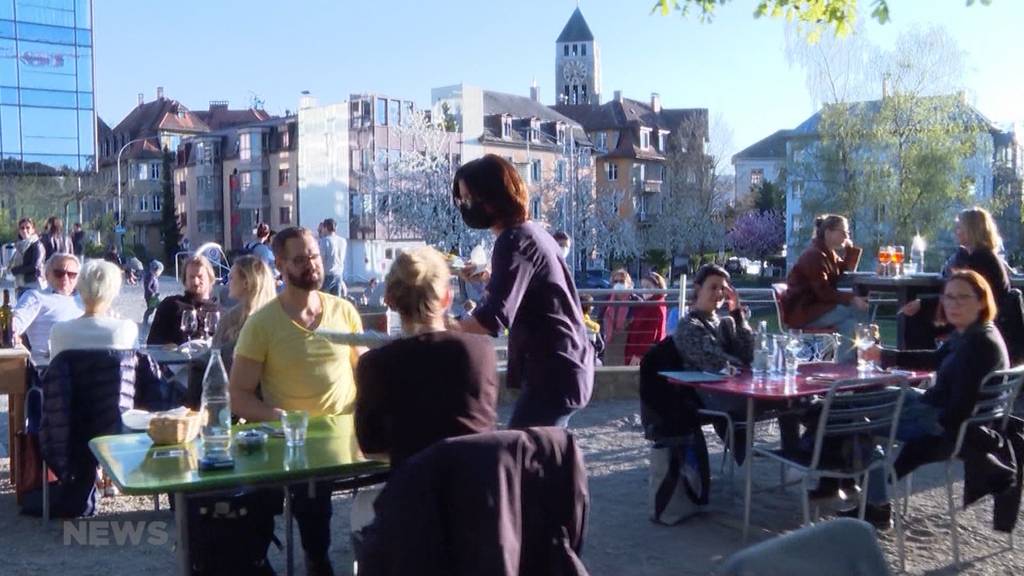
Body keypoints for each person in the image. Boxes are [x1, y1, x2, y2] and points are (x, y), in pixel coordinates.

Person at [230, 226, 365, 575]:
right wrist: (279, 417)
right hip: (297, 443)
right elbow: (238, 395)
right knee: (309, 489)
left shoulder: (344, 310)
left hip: (348, 434)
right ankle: (315, 559)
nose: (311, 265)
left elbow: (366, 371)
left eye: (315, 256)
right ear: (280, 265)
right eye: (300, 259)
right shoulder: (261, 324)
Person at [853, 270, 1009, 528]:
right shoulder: (971, 332)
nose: (953, 304)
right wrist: (885, 356)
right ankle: (853, 482)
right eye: (949, 297)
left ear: (981, 301)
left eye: (962, 297)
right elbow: (935, 360)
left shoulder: (979, 343)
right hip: (938, 409)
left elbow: (956, 412)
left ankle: (874, 503)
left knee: (855, 419)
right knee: (865, 398)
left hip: (944, 426)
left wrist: (913, 408)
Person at [455, 154, 593, 428]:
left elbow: (494, 319)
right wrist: (491, 278)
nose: (464, 207)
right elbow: (530, 289)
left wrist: (441, 326)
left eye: (468, 199)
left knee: (522, 454)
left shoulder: (513, 240)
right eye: (461, 200)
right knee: (542, 455)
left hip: (554, 370)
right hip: (568, 365)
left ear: (492, 197)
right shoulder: (533, 233)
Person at [355, 246, 498, 469]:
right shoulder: (482, 351)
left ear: (389, 300)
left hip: (417, 495)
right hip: (477, 493)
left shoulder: (375, 364)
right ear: (447, 297)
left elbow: (371, 445)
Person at [674, 264, 801, 463]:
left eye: (722, 289)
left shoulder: (725, 322)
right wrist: (742, 363)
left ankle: (797, 454)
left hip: (736, 390)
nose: (719, 293)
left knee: (796, 400)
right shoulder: (689, 326)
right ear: (698, 289)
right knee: (790, 402)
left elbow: (750, 353)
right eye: (713, 287)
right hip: (712, 396)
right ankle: (795, 454)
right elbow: (715, 362)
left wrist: (737, 314)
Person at [901, 207, 1014, 348]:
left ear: (972, 229)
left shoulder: (982, 258)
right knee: (920, 315)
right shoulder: (974, 255)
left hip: (981, 317)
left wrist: (922, 303)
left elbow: (963, 295)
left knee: (916, 319)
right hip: (975, 313)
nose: (956, 231)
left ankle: (921, 364)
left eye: (960, 227)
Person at [781, 214, 868, 361]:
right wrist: (853, 299)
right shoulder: (814, 255)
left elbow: (844, 271)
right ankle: (869, 357)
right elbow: (823, 292)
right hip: (804, 313)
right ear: (828, 232)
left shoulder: (827, 254)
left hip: (816, 309)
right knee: (856, 311)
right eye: (843, 232)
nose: (846, 236)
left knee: (850, 324)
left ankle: (845, 368)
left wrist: (850, 251)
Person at [49, 260, 138, 358]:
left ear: (79, 287)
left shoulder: (59, 330)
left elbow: (55, 367)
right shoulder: (126, 328)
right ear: (114, 292)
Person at [12, 254, 84, 355]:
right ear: (47, 275)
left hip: (85, 362)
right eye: (59, 273)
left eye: (71, 274)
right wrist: (12, 333)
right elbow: (15, 322)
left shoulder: (85, 300)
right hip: (48, 364)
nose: (65, 278)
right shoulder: (36, 297)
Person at [212, 255, 276, 366]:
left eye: (231, 278)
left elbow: (214, 359)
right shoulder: (280, 315)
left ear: (246, 283)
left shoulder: (230, 319)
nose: (228, 283)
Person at [147, 254, 219, 345]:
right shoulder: (171, 306)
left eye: (200, 277)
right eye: (191, 277)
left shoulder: (218, 311)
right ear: (185, 280)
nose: (196, 282)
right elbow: (153, 343)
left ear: (210, 278)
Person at [625, 271, 668, 365]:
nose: (644, 290)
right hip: (639, 351)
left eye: (648, 287)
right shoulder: (650, 303)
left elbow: (651, 333)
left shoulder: (655, 305)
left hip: (642, 354)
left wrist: (639, 354)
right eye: (643, 286)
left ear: (658, 287)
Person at [603, 268, 638, 365]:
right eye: (615, 281)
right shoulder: (608, 299)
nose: (618, 284)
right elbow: (601, 318)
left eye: (622, 281)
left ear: (628, 283)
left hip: (627, 342)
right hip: (610, 342)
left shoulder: (635, 300)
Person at [10, 217, 45, 298]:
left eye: (28, 227)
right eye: (22, 228)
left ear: (33, 229)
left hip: (33, 284)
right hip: (20, 285)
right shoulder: (19, 245)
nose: (25, 230)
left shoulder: (37, 245)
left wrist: (15, 271)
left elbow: (35, 266)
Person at [319, 218, 348, 297]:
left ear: (325, 228)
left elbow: (321, 258)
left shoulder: (324, 241)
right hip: (339, 274)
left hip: (327, 274)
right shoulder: (343, 241)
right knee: (336, 300)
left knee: (322, 299)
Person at [142, 260, 164, 325]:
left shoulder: (154, 276)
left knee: (159, 307)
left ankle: (159, 320)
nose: (160, 273)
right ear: (156, 270)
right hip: (151, 297)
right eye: (160, 271)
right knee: (151, 309)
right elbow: (147, 287)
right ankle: (145, 320)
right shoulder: (150, 277)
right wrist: (153, 293)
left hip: (154, 297)